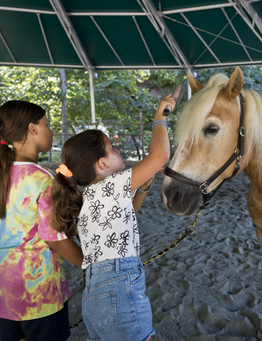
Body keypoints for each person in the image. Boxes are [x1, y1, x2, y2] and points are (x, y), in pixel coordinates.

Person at [51, 94, 175, 341]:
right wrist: (160, 117)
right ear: (103, 164)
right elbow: (160, 155)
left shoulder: (90, 195)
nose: (118, 150)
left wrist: (143, 185)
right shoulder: (115, 184)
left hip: (94, 291)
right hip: (120, 282)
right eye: (113, 148)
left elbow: (129, 212)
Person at [0, 100, 84, 341]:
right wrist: (88, 264)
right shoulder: (43, 179)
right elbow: (56, 239)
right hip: (38, 289)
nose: (50, 131)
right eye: (47, 124)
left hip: (2, 286)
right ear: (32, 128)